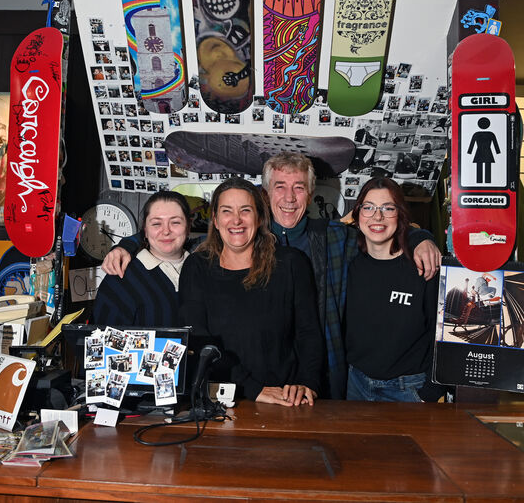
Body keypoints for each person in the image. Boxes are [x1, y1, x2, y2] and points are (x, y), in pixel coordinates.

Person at [103, 152, 442, 398]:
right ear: (266, 196)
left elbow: (379, 226)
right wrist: (129, 244)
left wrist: (421, 237)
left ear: (310, 194)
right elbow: (171, 235)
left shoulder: (334, 237)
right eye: (280, 187)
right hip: (246, 388)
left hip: (327, 377)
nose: (290, 198)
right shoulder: (219, 248)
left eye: (298, 188)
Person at [179, 178, 323, 406]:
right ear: (215, 220)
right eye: (227, 211)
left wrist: (307, 382)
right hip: (220, 399)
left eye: (245, 210)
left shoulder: (291, 263)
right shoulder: (197, 267)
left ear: (259, 218)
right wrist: (253, 389)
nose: (236, 220)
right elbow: (198, 339)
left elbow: (309, 332)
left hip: (284, 398)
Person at [344, 177, 444, 402]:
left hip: (407, 389)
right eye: (368, 208)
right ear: (357, 214)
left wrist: (430, 391)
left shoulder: (422, 267)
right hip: (355, 385)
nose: (377, 216)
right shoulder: (348, 262)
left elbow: (441, 334)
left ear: (400, 215)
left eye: (387, 208)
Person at [92, 191, 192, 327]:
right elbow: (102, 343)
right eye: (156, 224)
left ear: (188, 227)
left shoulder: (205, 269)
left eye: (175, 222)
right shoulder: (121, 278)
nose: (166, 231)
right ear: (145, 230)